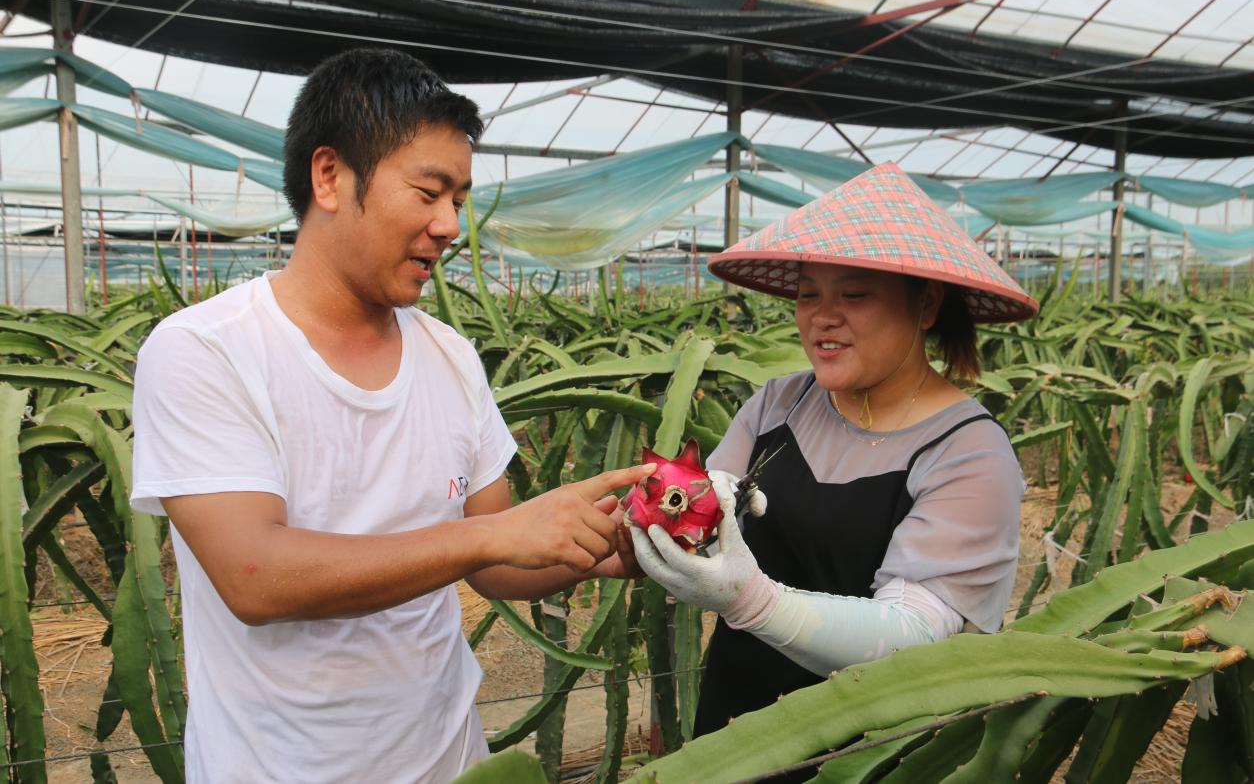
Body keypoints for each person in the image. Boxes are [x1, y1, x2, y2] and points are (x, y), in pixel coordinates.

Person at [130, 48, 651, 784]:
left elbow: (496, 563)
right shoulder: (204, 352)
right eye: (429, 191)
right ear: (330, 177)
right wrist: (491, 534)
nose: (448, 225)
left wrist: (608, 547)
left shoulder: (452, 357)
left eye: (460, 200)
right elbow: (255, 577)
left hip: (447, 759)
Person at [631, 162, 1038, 747]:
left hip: (869, 745)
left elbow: (913, 636)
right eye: (807, 294)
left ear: (925, 307)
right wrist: (631, 525)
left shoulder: (970, 452)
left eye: (854, 294)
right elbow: (697, 509)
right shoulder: (781, 402)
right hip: (737, 725)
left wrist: (750, 599)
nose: (823, 316)